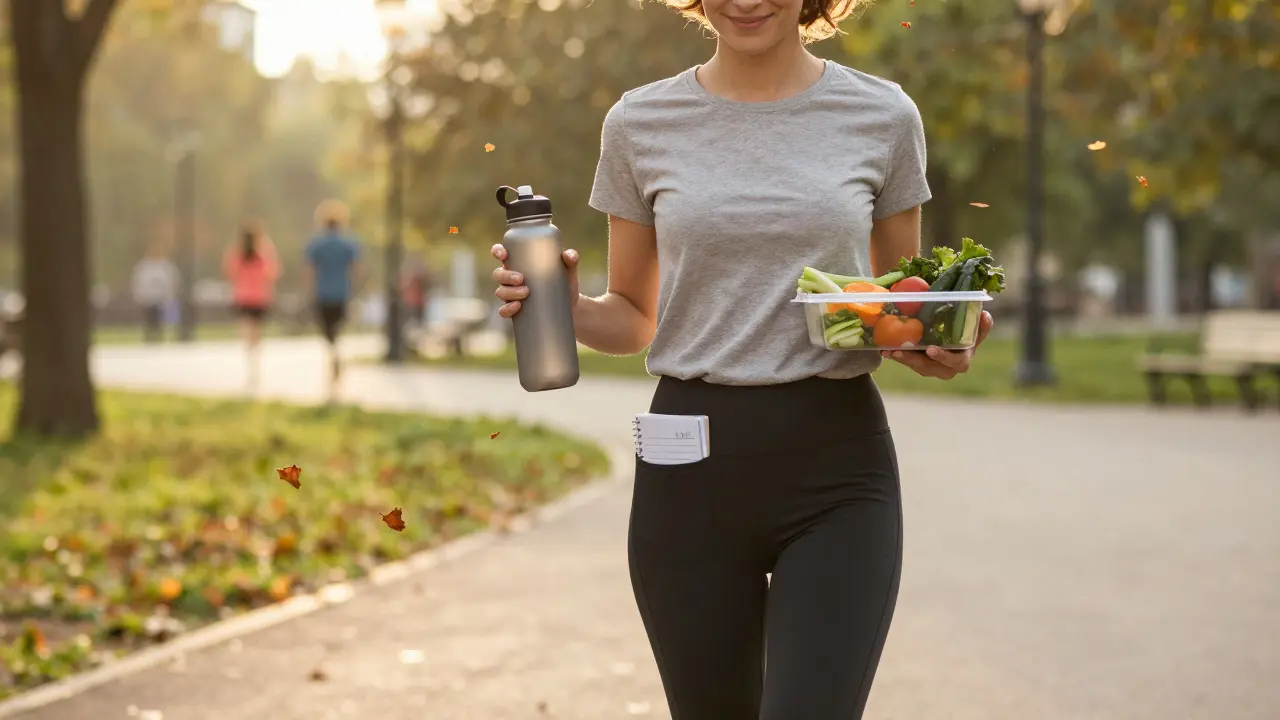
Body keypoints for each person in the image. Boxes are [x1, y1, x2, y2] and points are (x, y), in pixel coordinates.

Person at [491, 1, 995, 717]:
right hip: (688, 477)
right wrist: (567, 307)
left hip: (837, 474)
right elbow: (634, 317)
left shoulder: (883, 116)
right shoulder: (640, 123)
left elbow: (893, 306)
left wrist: (942, 338)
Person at [305, 199, 361, 393]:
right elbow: (356, 270)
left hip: (323, 293)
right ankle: (336, 355)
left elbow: (310, 271)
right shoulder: (348, 244)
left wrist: (310, 292)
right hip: (341, 293)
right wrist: (354, 291)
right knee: (337, 328)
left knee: (327, 331)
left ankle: (333, 354)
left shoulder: (317, 245)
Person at [222, 222, 280, 391]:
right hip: (260, 297)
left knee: (246, 330)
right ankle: (255, 359)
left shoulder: (236, 253)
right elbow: (272, 273)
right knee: (257, 332)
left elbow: (229, 272)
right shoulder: (264, 253)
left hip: (243, 296)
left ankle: (250, 358)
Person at [130, 244, 180, 344]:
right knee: (149, 320)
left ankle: (159, 336)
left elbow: (173, 281)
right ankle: (149, 337)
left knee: (160, 319)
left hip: (161, 300)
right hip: (148, 300)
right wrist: (139, 296)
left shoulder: (166, 266)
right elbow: (137, 282)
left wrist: (169, 295)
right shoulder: (143, 267)